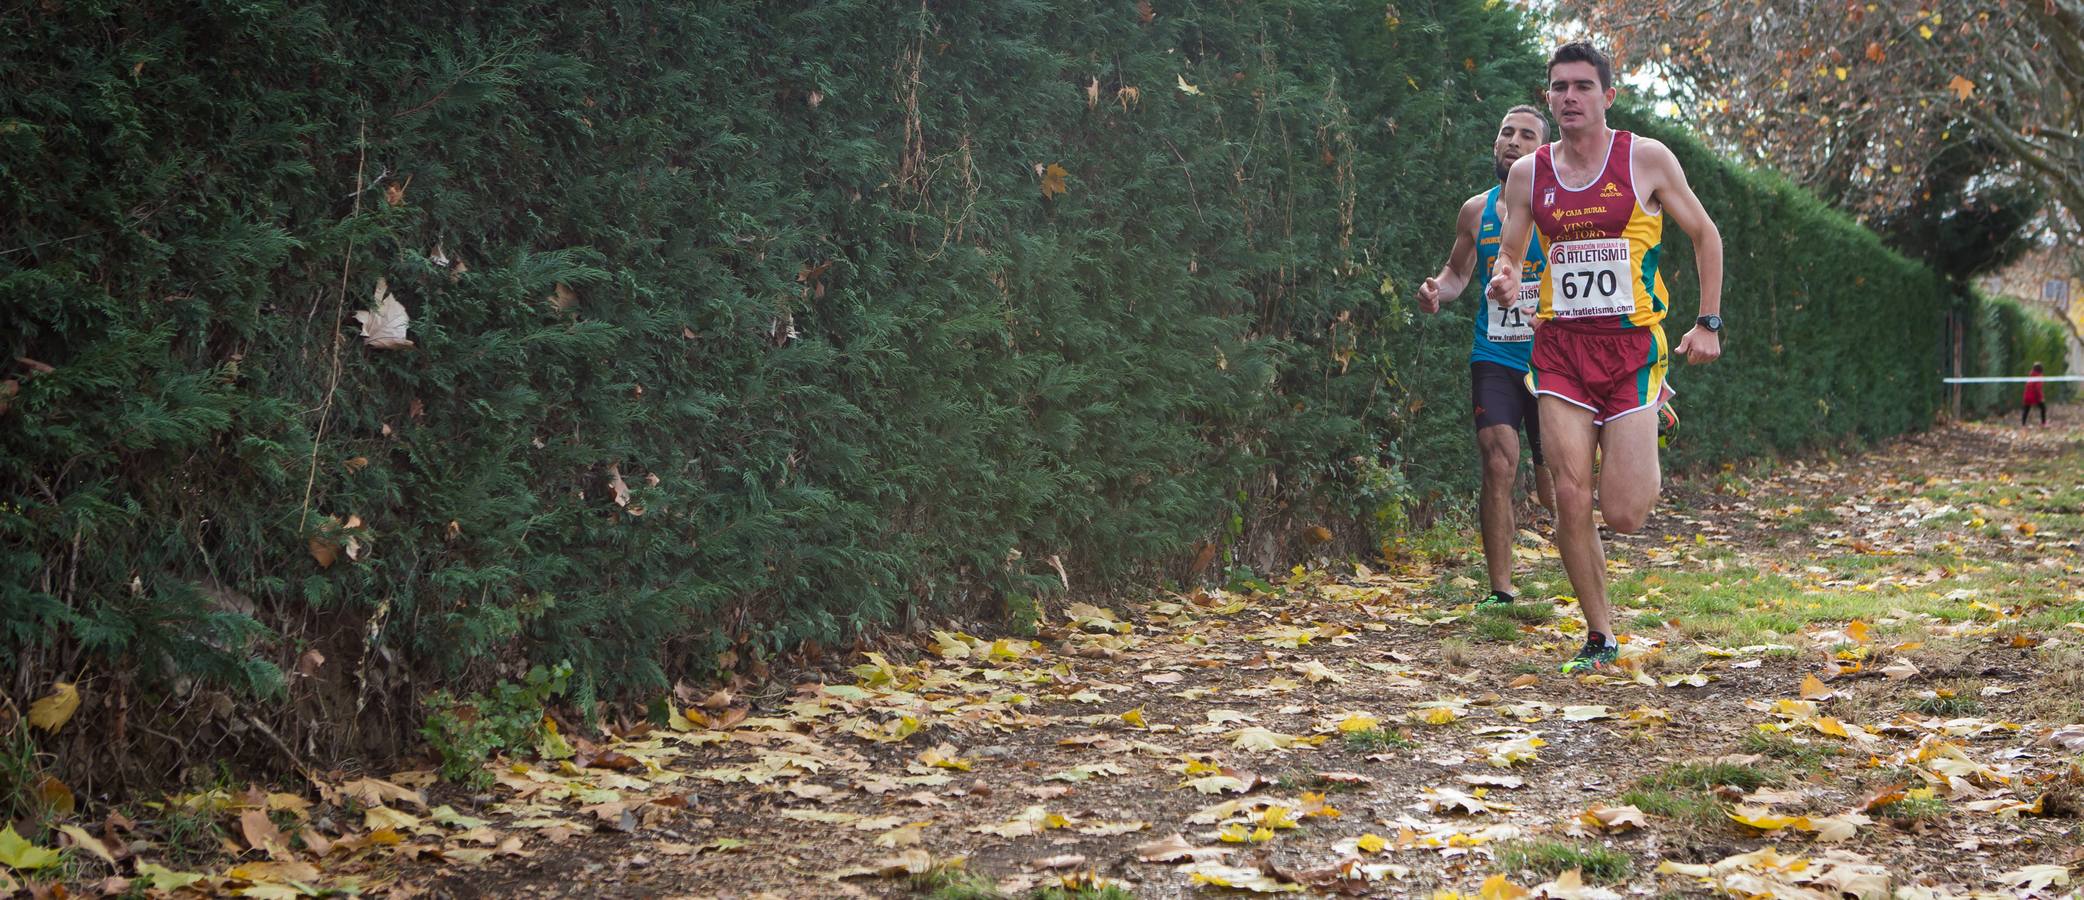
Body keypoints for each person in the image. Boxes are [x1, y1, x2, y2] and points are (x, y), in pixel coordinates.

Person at [1486, 41, 1724, 673]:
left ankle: (1652, 418)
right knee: (1568, 495)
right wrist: (1507, 276)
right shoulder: (1528, 173)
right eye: (1559, 87)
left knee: (1623, 513)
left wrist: (1708, 322)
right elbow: (1511, 249)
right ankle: (1600, 634)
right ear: (1548, 97)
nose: (1570, 97)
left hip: (1632, 350)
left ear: (1608, 96)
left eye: (1583, 86)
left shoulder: (1645, 159)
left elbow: (1705, 234)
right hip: (1560, 348)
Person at [1417, 105, 1556, 608]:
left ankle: (1579, 559)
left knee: (1552, 484)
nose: (1513, 141)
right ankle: (1501, 591)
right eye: (1506, 133)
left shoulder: (1563, 207)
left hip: (1554, 358)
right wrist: (1439, 290)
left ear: (1544, 150)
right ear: (1495, 145)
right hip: (1494, 353)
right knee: (1499, 462)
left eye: (1526, 135)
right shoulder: (1476, 210)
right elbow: (1457, 271)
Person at [2023, 362, 2046, 426]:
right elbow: (2038, 389)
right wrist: (2041, 398)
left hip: (2027, 395)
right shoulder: (2039, 377)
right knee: (2043, 408)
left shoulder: (2031, 375)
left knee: (2026, 410)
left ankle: (2023, 424)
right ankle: (2043, 423)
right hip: (2034, 396)